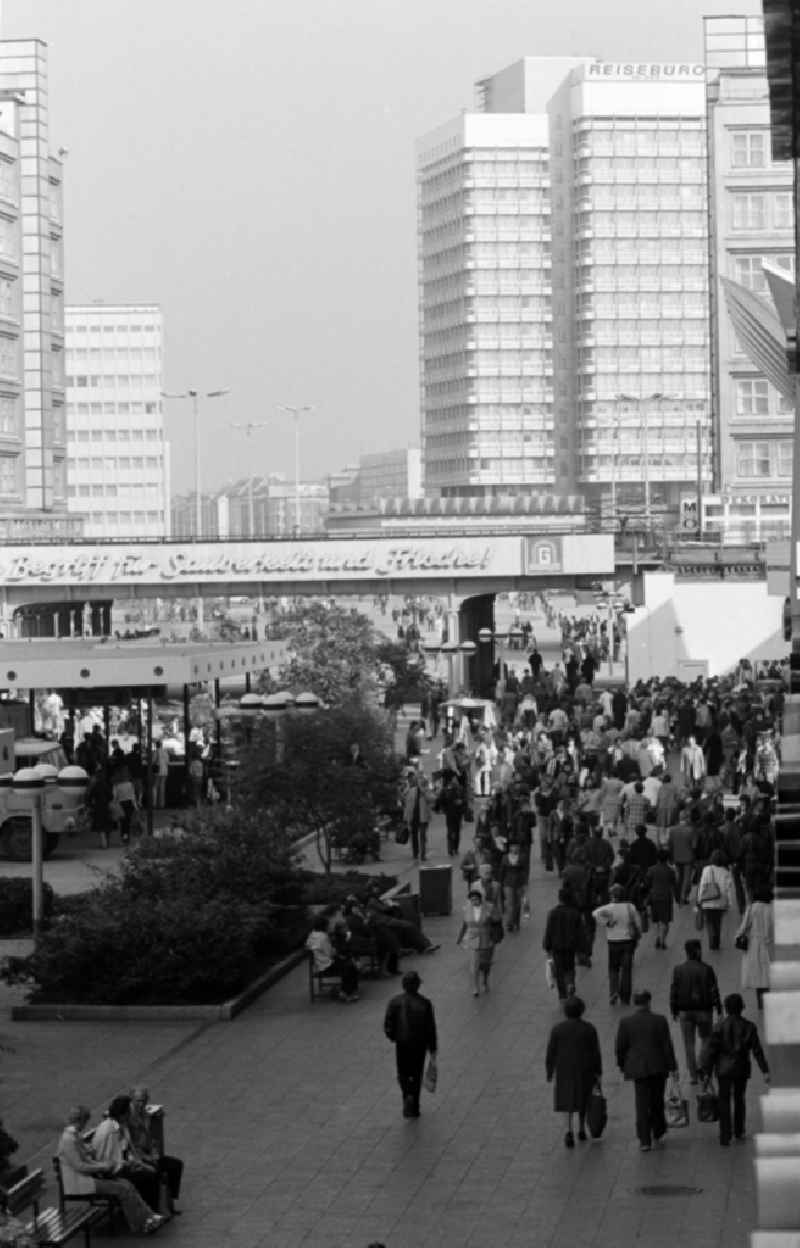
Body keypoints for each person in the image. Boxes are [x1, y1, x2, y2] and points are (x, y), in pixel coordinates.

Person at [57, 1105, 164, 1235]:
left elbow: (86, 1159)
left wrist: (101, 1164)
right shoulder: (69, 1139)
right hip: (80, 1183)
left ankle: (148, 1215)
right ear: (81, 1120)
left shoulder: (74, 1136)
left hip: (87, 1179)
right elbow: (79, 1166)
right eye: (85, 1121)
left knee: (126, 1184)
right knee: (122, 1188)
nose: (85, 1125)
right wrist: (101, 1166)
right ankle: (140, 1225)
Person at [700, 992, 770, 1146]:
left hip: (723, 1070)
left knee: (724, 1101)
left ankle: (725, 1135)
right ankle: (739, 1130)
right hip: (741, 1069)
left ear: (726, 1008)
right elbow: (757, 1050)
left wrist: (706, 1073)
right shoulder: (749, 1027)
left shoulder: (718, 1027)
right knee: (739, 1099)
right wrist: (765, 1070)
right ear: (742, 1008)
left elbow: (711, 1052)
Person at [615, 989, 679, 1152]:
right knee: (657, 1099)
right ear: (649, 1002)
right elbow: (667, 1046)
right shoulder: (660, 1020)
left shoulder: (626, 1022)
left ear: (635, 1003)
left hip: (638, 1068)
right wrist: (673, 1067)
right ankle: (658, 1130)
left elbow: (620, 1048)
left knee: (641, 1103)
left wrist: (622, 1065)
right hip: (658, 1066)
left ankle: (644, 1139)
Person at [545, 996, 602, 1149]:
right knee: (583, 1098)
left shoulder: (557, 1030)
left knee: (567, 1099)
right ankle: (582, 1129)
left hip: (565, 1070)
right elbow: (595, 1052)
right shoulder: (589, 1028)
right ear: (581, 1011)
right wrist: (598, 1071)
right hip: (585, 1069)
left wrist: (550, 1071)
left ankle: (568, 1130)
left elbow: (551, 1052)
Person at [383, 970, 438, 1120]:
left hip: (402, 1043)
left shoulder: (395, 1002)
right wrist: (432, 1047)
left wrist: (393, 1037)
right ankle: (414, 1106)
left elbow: (388, 1024)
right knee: (416, 1072)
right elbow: (430, 1027)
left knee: (403, 1072)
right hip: (419, 1044)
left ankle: (407, 1094)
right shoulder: (425, 1003)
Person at [93, 1095, 160, 1213]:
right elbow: (113, 1159)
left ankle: (154, 1210)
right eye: (129, 1111)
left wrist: (139, 1163)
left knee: (153, 1168)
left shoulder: (117, 1125)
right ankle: (150, 1213)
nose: (131, 1114)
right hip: (111, 1171)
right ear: (123, 1113)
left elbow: (125, 1151)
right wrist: (137, 1165)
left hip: (120, 1165)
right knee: (148, 1176)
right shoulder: (111, 1130)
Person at [669, 939, 722, 1085]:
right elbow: (714, 991)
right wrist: (719, 1009)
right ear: (698, 951)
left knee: (688, 1043)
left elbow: (674, 991)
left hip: (685, 1012)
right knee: (706, 1039)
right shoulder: (707, 969)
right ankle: (701, 1065)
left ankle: (693, 1076)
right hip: (704, 1011)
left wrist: (673, 1009)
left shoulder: (678, 969)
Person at [128, 1087, 184, 1217]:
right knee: (155, 1173)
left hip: (148, 1154)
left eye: (143, 1101)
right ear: (131, 1101)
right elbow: (130, 1144)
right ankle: (156, 1208)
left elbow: (149, 1137)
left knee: (176, 1165)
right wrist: (145, 1157)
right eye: (137, 1101)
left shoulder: (146, 1115)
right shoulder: (128, 1117)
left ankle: (170, 1202)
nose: (140, 1104)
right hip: (138, 1157)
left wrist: (153, 1152)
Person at [593, 882, 641, 1006]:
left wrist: (607, 922)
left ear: (612, 895)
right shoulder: (630, 907)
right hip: (628, 942)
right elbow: (638, 924)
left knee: (613, 969)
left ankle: (613, 992)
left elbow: (594, 913)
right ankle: (625, 997)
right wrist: (638, 937)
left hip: (613, 942)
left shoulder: (608, 908)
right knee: (626, 970)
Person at [543, 888, 585, 1002]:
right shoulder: (575, 913)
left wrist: (547, 946)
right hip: (570, 946)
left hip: (557, 946)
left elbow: (549, 931)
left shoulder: (552, 913)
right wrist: (582, 947)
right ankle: (570, 983)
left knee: (559, 970)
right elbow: (580, 932)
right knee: (570, 967)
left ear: (559, 898)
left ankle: (562, 994)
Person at [305, 915, 359, 1002]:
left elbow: (308, 946)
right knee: (349, 966)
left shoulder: (312, 935)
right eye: (328, 925)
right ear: (324, 926)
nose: (329, 927)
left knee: (348, 963)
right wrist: (337, 952)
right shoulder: (323, 937)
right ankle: (346, 992)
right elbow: (330, 953)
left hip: (318, 964)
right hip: (326, 965)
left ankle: (348, 991)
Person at [736, 887, 774, 1011]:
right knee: (768, 977)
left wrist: (737, 936)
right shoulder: (772, 909)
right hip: (770, 946)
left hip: (754, 946)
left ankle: (761, 1005)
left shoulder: (752, 908)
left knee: (758, 978)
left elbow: (744, 926)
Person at [456, 885, 497, 996]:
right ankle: (475, 986)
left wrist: (495, 936)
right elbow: (464, 924)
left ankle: (485, 980)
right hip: (473, 939)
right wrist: (460, 938)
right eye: (472, 899)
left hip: (486, 939)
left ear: (480, 899)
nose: (474, 901)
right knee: (474, 965)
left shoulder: (489, 908)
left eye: (476, 899)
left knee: (485, 964)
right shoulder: (466, 909)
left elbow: (496, 922)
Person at [697, 849, 736, 951]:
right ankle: (717, 942)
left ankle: (712, 942)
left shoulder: (706, 869)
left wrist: (699, 899)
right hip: (721, 901)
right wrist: (729, 904)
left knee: (709, 922)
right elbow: (728, 889)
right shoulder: (726, 872)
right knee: (718, 922)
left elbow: (702, 884)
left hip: (708, 899)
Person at [645, 849, 677, 950]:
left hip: (654, 897)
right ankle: (663, 940)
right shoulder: (670, 870)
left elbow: (647, 883)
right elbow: (674, 883)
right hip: (666, 898)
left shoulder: (651, 869)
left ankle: (659, 937)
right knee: (665, 921)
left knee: (657, 920)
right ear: (667, 859)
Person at [403, 768, 431, 863]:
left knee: (422, 836)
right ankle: (415, 852)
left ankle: (422, 854)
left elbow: (430, 798)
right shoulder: (410, 789)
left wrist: (421, 788)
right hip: (413, 816)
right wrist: (406, 817)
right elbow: (406, 802)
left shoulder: (425, 788)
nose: (412, 779)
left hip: (422, 816)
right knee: (414, 835)